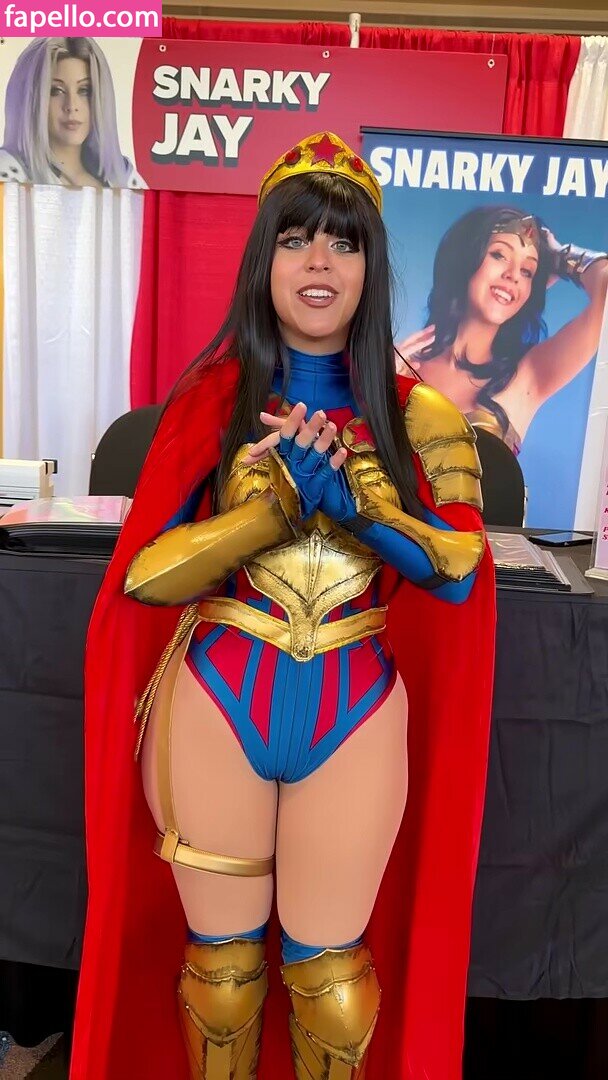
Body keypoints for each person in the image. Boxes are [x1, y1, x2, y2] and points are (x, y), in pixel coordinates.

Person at [69, 133, 495, 1080]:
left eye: (343, 242)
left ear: (371, 265)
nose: (318, 262)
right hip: (219, 704)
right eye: (296, 239)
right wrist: (265, 514)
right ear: (264, 259)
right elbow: (143, 577)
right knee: (221, 975)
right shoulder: (214, 401)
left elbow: (463, 569)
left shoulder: (423, 415)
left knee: (332, 985)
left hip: (354, 710)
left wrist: (362, 507)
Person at [396, 207, 608, 454]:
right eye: (499, 255)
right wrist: (376, 389)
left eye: (527, 271)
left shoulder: (529, 375)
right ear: (466, 258)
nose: (513, 275)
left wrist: (561, 257)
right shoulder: (401, 365)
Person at [0, 37, 145, 189]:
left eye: (84, 90)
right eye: (56, 91)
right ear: (30, 99)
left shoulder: (122, 177)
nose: (71, 106)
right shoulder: (8, 172)